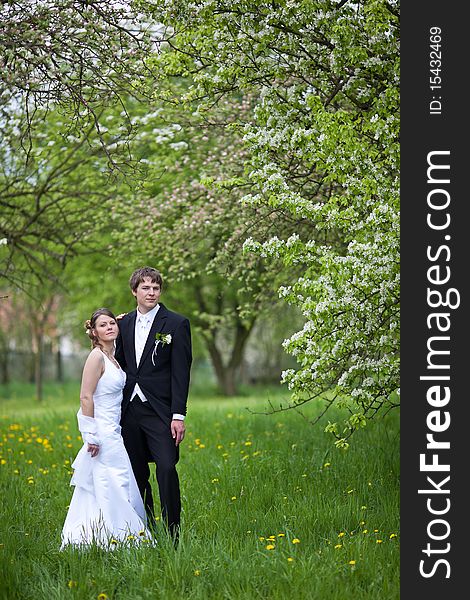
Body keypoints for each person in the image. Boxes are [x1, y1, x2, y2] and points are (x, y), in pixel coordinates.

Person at [61, 308, 150, 549]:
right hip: (101, 430)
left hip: (114, 428)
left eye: (112, 323)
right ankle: (116, 534)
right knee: (110, 478)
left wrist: (122, 319)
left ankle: (110, 530)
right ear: (94, 332)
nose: (109, 327)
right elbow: (85, 397)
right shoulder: (96, 357)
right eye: (103, 325)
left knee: (116, 478)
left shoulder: (113, 358)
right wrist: (90, 434)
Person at [115, 266, 192, 539]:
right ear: (134, 291)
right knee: (136, 473)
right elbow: (117, 363)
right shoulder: (122, 324)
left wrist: (178, 415)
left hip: (160, 411)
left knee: (167, 467)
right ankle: (145, 528)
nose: (151, 292)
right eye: (145, 287)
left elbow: (181, 373)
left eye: (155, 287)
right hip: (129, 410)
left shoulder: (176, 324)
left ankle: (173, 531)